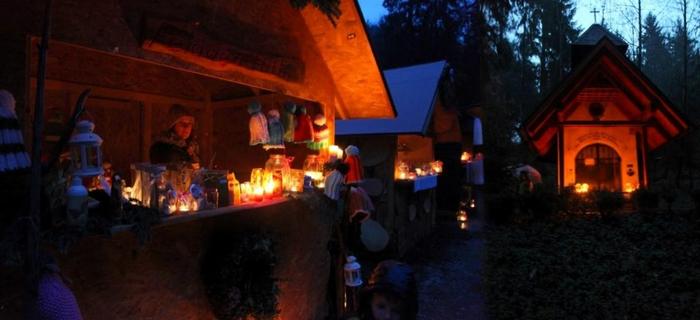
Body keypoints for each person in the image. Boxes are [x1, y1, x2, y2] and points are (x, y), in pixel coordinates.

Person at [149, 104, 200, 168]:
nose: (186, 127)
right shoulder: (162, 148)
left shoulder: (189, 148)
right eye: (182, 123)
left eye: (189, 123)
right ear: (172, 126)